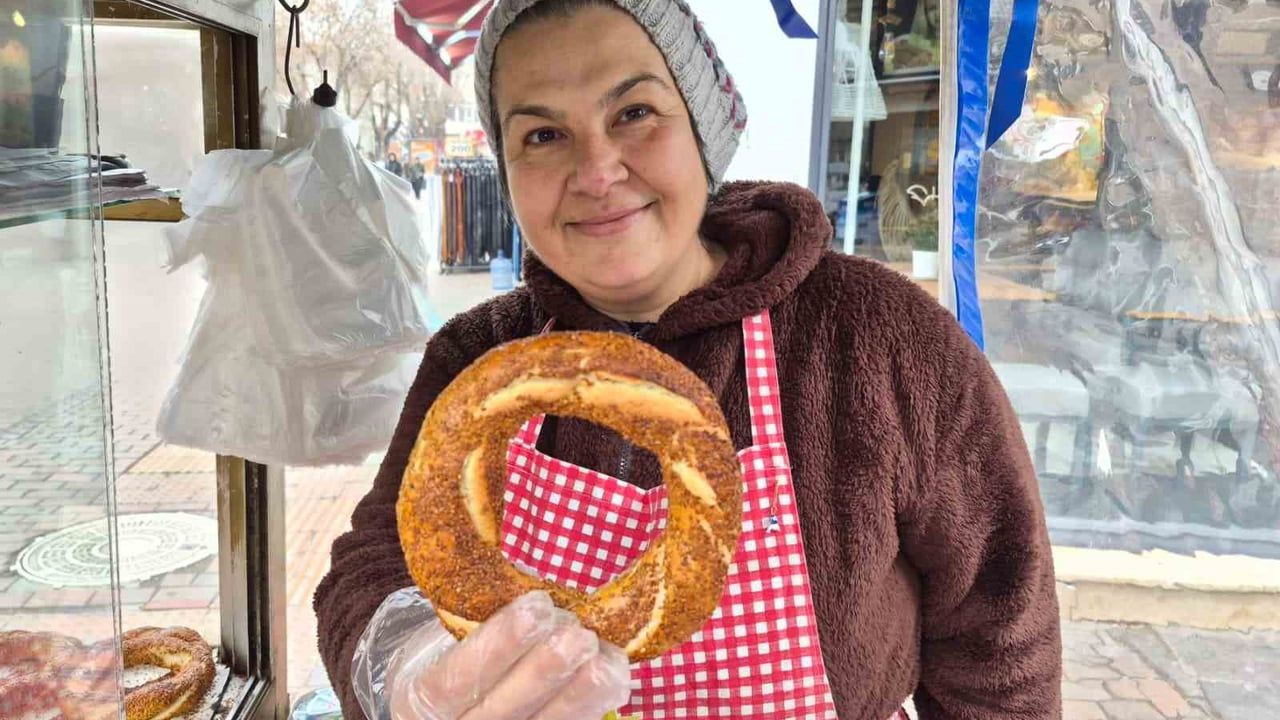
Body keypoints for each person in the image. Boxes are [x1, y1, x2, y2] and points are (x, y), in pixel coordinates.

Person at [315, 1, 1063, 719]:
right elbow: (380, 555)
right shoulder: (479, 357)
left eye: (634, 113)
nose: (598, 169)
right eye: (543, 135)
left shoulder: (879, 337)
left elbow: (1001, 633)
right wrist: (400, 665)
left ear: (702, 125)